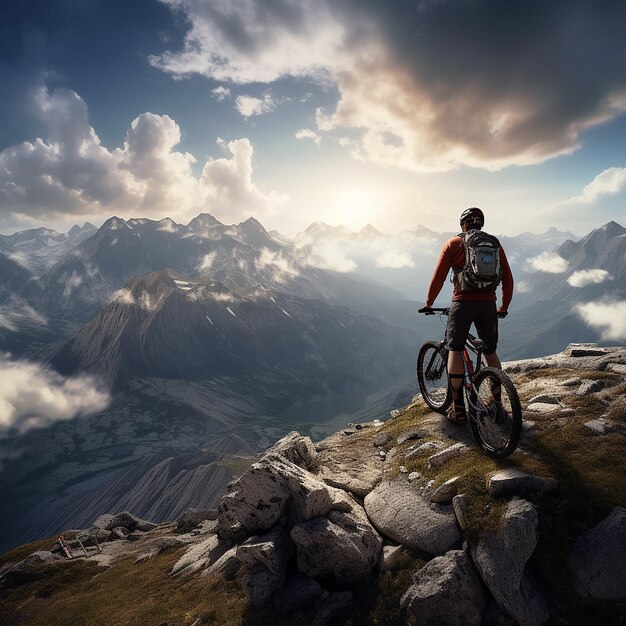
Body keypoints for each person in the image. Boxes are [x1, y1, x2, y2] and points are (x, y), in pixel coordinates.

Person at [418, 207, 514, 424]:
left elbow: (439, 278)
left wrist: (429, 303)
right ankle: (496, 402)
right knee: (490, 351)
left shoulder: (453, 244)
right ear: (481, 224)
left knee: (455, 349)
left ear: (463, 224)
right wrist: (504, 306)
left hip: (462, 304)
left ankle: (458, 407)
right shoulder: (495, 245)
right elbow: (507, 280)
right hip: (489, 305)